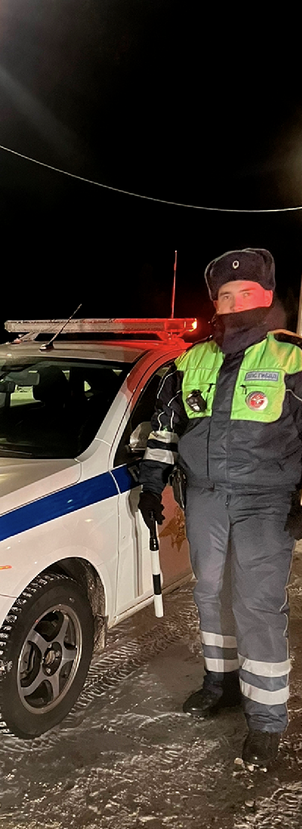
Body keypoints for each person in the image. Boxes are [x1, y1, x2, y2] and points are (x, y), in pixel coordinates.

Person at [139, 247, 302, 767]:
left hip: (266, 499)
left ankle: (267, 719)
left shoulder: (293, 358)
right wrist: (151, 484)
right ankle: (222, 682)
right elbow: (166, 430)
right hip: (205, 495)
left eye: (246, 294)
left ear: (267, 297)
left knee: (256, 603)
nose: (235, 303)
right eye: (225, 296)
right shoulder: (191, 360)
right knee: (209, 592)